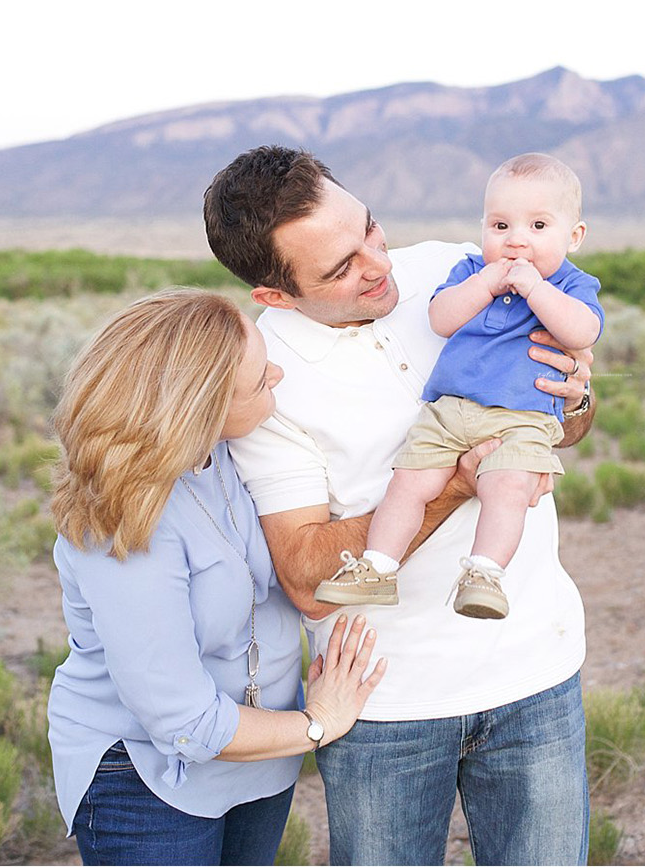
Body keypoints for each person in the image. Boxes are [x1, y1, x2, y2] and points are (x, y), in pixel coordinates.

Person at [204, 147, 596, 865]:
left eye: (371, 231)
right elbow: (305, 579)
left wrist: (575, 399)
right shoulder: (261, 380)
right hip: (387, 709)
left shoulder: (462, 268)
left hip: (536, 669)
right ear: (277, 297)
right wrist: (456, 479)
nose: (377, 265)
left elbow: (566, 420)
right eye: (339, 269)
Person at [46, 288, 387, 866]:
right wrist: (316, 725)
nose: (277, 374)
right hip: (150, 782)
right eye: (259, 380)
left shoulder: (229, 454)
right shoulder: (126, 520)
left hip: (259, 763)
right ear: (202, 408)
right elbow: (183, 722)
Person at [314, 153, 602, 619]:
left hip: (521, 416)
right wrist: (487, 283)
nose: (517, 242)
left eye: (539, 227)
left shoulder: (571, 283)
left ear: (575, 236)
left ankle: (485, 574)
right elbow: (441, 318)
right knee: (408, 484)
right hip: (449, 410)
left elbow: (582, 333)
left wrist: (535, 289)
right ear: (483, 226)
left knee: (507, 487)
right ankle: (378, 566)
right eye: (501, 226)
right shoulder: (469, 270)